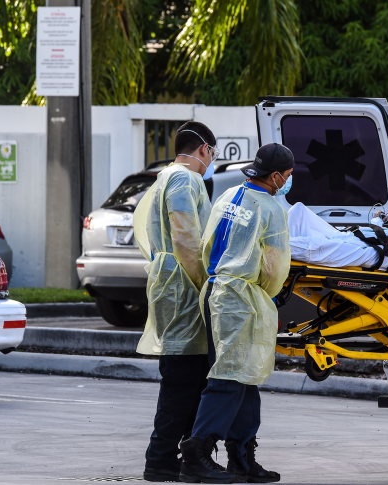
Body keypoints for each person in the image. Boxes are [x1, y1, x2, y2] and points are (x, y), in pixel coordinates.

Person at [178, 143, 293, 484]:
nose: (287, 181)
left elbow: (206, 245)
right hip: (241, 298)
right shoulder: (271, 210)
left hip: (215, 290)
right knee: (228, 378)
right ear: (275, 176)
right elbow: (274, 269)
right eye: (287, 176)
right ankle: (197, 454)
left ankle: (242, 458)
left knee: (246, 378)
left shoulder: (228, 196)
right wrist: (264, 296)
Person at [132, 121, 219, 482]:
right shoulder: (186, 179)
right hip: (184, 289)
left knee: (188, 377)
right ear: (204, 149)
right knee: (183, 381)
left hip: (170, 285)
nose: (211, 161)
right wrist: (207, 286)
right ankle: (162, 459)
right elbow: (187, 239)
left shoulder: (163, 178)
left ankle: (182, 458)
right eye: (212, 154)